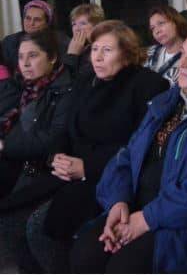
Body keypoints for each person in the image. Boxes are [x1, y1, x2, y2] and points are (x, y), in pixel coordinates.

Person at [69, 26, 187, 273]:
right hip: (137, 208)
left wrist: (147, 219)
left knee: (124, 267)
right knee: (84, 255)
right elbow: (127, 156)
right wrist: (118, 202)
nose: (183, 64)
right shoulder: (167, 101)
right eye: (183, 54)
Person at [0, 21, 169, 273]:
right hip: (66, 169)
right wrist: (57, 156)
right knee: (10, 217)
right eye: (94, 49)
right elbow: (67, 129)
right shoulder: (87, 79)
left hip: (108, 177)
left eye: (107, 50)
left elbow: (138, 146)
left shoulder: (148, 85)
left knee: (40, 227)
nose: (97, 57)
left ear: (127, 53)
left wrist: (86, 167)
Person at [0, 32, 73, 198]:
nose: (25, 63)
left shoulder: (66, 91)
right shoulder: (22, 86)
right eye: (20, 57)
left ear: (52, 57)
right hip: (15, 161)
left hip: (38, 170)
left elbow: (54, 139)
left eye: (32, 56)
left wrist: (5, 145)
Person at [2, 0, 70, 77]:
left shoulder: (60, 41)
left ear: (47, 23)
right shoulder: (10, 41)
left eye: (37, 20)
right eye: (28, 18)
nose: (31, 23)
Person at [144, 6, 187, 86]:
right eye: (152, 28)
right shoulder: (151, 52)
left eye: (161, 23)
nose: (157, 31)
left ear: (176, 22)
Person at [63, 3, 105, 79]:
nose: (77, 29)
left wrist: (72, 56)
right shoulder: (76, 47)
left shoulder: (102, 49)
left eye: (83, 23)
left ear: (97, 26)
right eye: (74, 24)